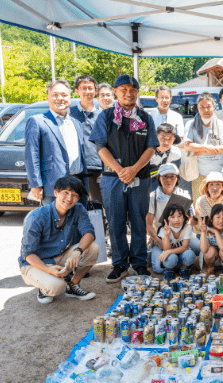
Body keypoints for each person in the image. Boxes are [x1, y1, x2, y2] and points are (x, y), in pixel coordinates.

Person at [89, 74, 160, 282]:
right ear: (115, 92)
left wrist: (134, 169)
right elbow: (100, 146)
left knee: (139, 221)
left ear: (137, 92)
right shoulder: (106, 116)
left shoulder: (146, 118)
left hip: (141, 177)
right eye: (123, 90)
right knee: (116, 221)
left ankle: (138, 263)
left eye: (132, 90)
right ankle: (119, 264)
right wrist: (121, 170)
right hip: (113, 178)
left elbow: (151, 147)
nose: (128, 93)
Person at [19, 176, 100, 304]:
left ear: (78, 198)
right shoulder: (36, 217)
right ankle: (44, 286)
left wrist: (77, 251)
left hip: (59, 255)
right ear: (56, 193)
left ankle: (72, 286)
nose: (69, 199)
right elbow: (28, 254)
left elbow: (89, 232)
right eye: (65, 193)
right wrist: (47, 269)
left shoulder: (78, 209)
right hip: (35, 262)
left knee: (93, 248)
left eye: (74, 195)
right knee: (56, 287)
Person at [25, 79, 87, 206]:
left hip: (78, 184)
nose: (60, 98)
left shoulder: (76, 123)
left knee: (77, 223)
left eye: (64, 95)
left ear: (70, 97)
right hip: (53, 187)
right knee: (55, 224)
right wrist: (36, 184)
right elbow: (31, 155)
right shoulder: (37, 121)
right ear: (48, 97)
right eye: (55, 95)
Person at [146, 163, 200, 265]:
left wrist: (191, 218)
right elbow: (148, 224)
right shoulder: (153, 197)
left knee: (201, 249)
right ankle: (177, 259)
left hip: (182, 237)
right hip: (162, 236)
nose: (169, 180)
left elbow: (192, 222)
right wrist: (158, 241)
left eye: (172, 177)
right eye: (165, 177)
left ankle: (182, 258)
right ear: (159, 178)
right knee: (159, 268)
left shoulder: (184, 194)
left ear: (177, 178)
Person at [184, 92, 223, 203]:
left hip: (218, 173)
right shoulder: (192, 124)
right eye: (202, 107)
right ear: (198, 108)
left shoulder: (222, 124)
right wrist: (208, 148)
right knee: (200, 208)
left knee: (218, 209)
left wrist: (199, 150)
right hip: (199, 174)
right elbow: (187, 146)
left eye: (208, 106)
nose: (206, 110)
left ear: (214, 106)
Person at [71, 75, 103, 206]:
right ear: (77, 91)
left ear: (96, 91)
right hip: (75, 167)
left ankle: (102, 227)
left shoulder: (103, 115)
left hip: (97, 167)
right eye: (83, 88)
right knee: (76, 205)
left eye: (90, 88)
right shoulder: (69, 113)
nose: (87, 91)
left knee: (99, 205)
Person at [152, 203, 196, 281]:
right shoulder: (164, 229)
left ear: (183, 217)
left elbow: (185, 247)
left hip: (179, 252)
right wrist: (166, 235)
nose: (176, 220)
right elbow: (166, 249)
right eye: (172, 217)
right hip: (171, 254)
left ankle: (183, 269)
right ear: (167, 219)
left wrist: (168, 252)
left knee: (190, 254)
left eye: (179, 216)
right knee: (159, 268)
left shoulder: (187, 227)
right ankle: (169, 270)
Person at [199, 203, 223, 278]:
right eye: (218, 217)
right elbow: (203, 249)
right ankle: (210, 268)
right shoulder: (207, 228)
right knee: (210, 251)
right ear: (211, 218)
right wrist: (203, 232)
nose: (221, 221)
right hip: (212, 256)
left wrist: (216, 232)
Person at [149, 123, 181, 191]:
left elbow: (172, 176)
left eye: (170, 139)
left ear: (174, 140)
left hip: (159, 183)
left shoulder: (175, 153)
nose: (166, 142)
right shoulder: (144, 149)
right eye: (162, 138)